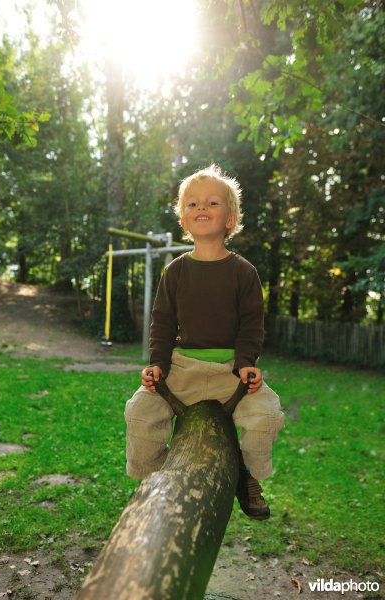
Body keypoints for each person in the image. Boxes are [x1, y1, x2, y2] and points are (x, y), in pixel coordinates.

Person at [125, 164, 284, 520]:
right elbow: (163, 322)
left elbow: (251, 324)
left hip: (231, 371)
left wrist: (246, 364)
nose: (202, 208)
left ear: (230, 218)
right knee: (139, 412)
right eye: (193, 204)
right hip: (182, 369)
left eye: (212, 203)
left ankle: (246, 475)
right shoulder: (176, 271)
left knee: (267, 416)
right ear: (183, 219)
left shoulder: (244, 272)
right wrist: (157, 365)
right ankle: (154, 477)